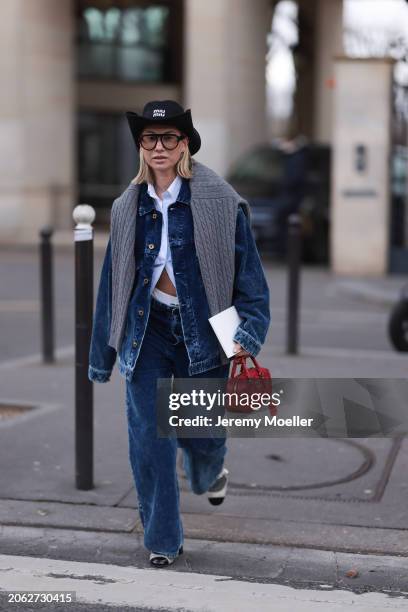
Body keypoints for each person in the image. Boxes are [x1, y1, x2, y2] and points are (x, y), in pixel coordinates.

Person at [88, 100, 270, 567]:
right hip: (147, 331)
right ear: (141, 147)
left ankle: (209, 469)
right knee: (150, 438)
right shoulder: (128, 206)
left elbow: (249, 277)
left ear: (184, 144)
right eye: (150, 138)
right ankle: (163, 539)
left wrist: (247, 333)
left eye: (169, 137)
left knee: (201, 434)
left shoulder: (219, 200)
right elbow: (113, 284)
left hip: (203, 336)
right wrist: (101, 356)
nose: (159, 146)